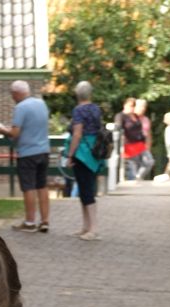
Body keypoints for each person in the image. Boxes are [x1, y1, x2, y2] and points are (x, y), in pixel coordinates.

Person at [0, 80, 51, 232]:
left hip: (27, 153)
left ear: (17, 93)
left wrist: (1, 130)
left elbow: (15, 133)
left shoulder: (21, 107)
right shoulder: (41, 104)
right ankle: (45, 221)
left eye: (12, 94)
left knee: (28, 187)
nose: (12, 98)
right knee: (42, 186)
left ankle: (30, 222)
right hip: (43, 150)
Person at [60, 81, 103, 240]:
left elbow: (77, 134)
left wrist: (70, 155)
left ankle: (93, 228)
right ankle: (86, 227)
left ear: (77, 94)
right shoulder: (96, 109)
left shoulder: (78, 110)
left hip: (82, 154)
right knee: (87, 189)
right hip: (94, 153)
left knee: (86, 191)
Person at [130, 98, 155, 181]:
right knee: (134, 165)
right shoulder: (130, 118)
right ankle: (135, 180)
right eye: (141, 106)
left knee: (149, 161)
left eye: (144, 106)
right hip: (132, 145)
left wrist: (148, 146)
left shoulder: (146, 119)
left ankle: (138, 177)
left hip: (142, 146)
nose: (143, 108)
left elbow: (149, 134)